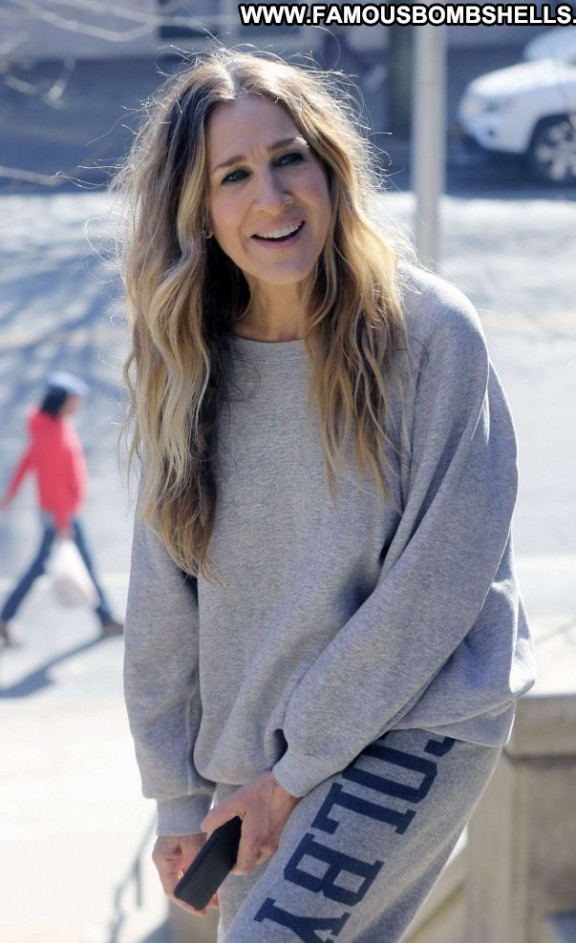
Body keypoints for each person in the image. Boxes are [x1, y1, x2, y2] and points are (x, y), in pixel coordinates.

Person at [118, 48, 536, 943]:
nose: (272, 196)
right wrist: (176, 795)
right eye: (233, 176)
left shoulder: (428, 335)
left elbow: (439, 584)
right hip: (259, 755)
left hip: (415, 718)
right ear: (199, 212)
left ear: (331, 169)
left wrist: (294, 773)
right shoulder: (188, 367)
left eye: (289, 159)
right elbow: (164, 603)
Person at [0, 372, 123, 646]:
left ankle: (104, 617)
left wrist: (11, 493)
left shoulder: (48, 426)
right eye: (75, 399)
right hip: (61, 514)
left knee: (59, 564)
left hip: (61, 513)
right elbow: (55, 482)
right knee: (49, 566)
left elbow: (28, 459)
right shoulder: (52, 433)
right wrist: (63, 522)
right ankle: (104, 618)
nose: (78, 404)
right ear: (62, 401)